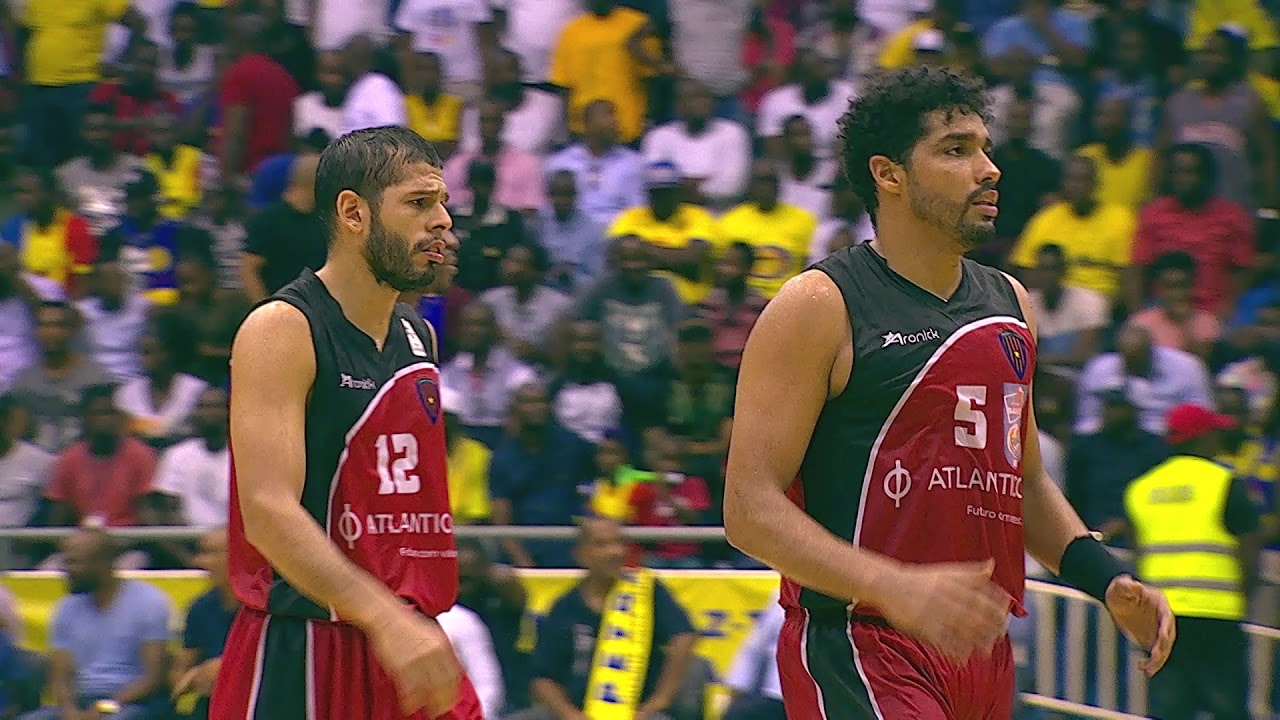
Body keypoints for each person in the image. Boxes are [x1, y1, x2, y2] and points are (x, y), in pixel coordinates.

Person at [722, 66, 1175, 720]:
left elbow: (1021, 483)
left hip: (980, 653)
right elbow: (747, 508)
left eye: (985, 148)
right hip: (863, 642)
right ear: (890, 175)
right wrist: (892, 586)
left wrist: (1106, 580)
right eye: (957, 150)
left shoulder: (1010, 304)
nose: (988, 169)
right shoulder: (819, 305)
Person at [210, 126, 482, 720]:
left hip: (407, 640)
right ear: (353, 213)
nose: (442, 223)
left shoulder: (419, 334)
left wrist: (405, 622)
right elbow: (269, 514)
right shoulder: (282, 328)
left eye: (442, 204)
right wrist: (384, 617)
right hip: (307, 643)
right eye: (418, 203)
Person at [1124, 404, 1261, 720]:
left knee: (1172, 709)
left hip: (1161, 619)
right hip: (1216, 615)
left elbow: (1139, 554)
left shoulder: (1141, 488)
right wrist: (1246, 594)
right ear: (1201, 439)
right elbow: (1250, 546)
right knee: (1228, 708)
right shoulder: (1223, 481)